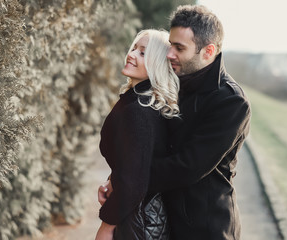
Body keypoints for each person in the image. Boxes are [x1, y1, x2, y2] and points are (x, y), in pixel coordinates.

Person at [99, 5, 251, 240]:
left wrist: (124, 180)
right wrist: (119, 178)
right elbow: (147, 148)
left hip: (205, 228)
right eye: (171, 44)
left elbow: (185, 167)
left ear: (208, 51)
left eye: (179, 48)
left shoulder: (230, 102)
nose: (169, 54)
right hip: (166, 218)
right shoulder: (175, 83)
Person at [95, 29, 180, 240]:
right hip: (142, 215)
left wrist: (106, 226)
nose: (131, 54)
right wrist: (113, 180)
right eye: (134, 48)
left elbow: (134, 182)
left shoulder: (139, 110)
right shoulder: (144, 100)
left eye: (142, 53)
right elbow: (137, 162)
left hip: (138, 221)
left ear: (157, 63)